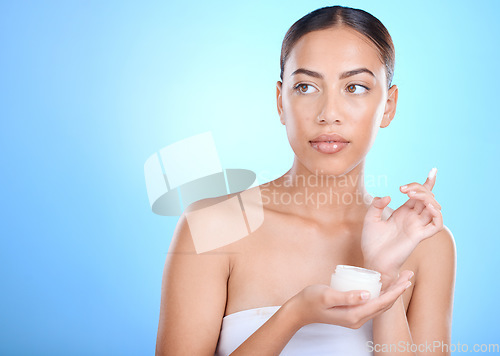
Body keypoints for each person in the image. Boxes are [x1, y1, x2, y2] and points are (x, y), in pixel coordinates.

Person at [155, 5, 456, 355]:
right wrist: (293, 315)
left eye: (355, 87)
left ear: (388, 105)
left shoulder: (424, 243)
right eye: (306, 87)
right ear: (280, 102)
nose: (329, 114)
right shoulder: (211, 226)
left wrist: (385, 281)